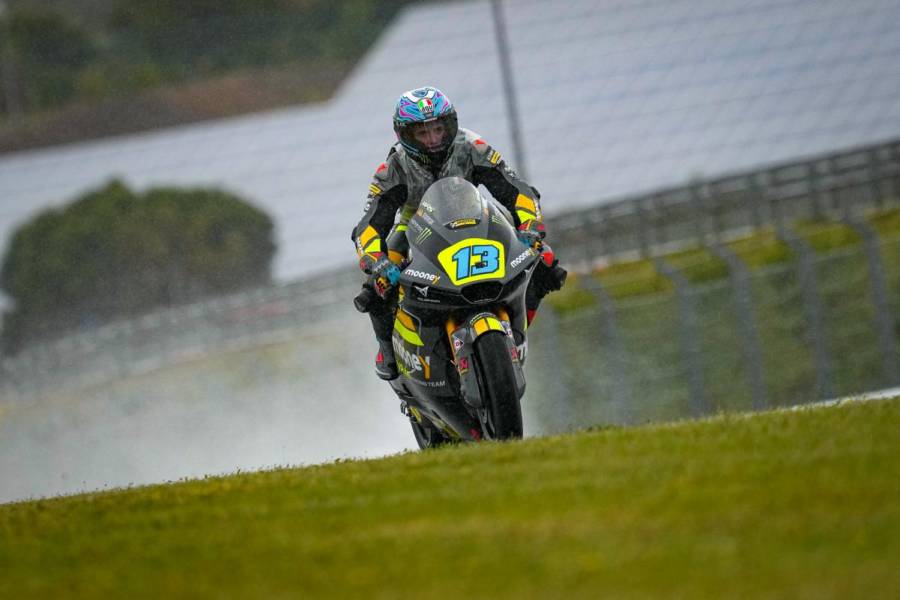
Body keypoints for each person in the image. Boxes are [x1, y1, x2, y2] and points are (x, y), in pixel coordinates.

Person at [352, 86, 566, 380]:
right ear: (405, 135)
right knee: (376, 286)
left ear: (450, 125)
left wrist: (531, 226)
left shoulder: (472, 146)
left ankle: (519, 330)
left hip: (477, 217)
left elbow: (517, 190)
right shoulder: (392, 168)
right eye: (422, 133)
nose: (432, 139)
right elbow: (369, 225)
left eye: (438, 129)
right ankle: (387, 350)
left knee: (545, 260)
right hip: (416, 227)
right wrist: (376, 260)